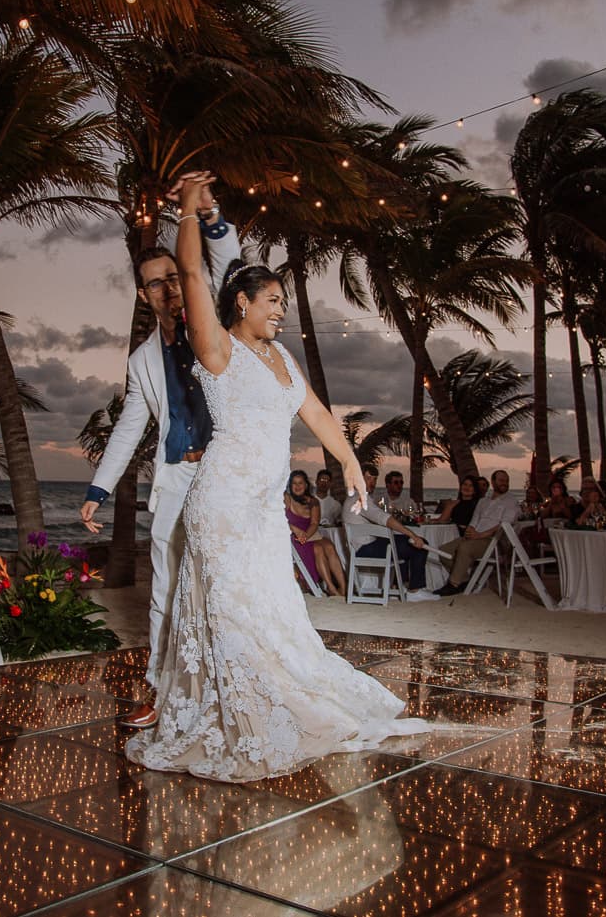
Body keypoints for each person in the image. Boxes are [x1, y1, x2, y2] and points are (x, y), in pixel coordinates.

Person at [126, 172, 430, 782]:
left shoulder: (283, 357)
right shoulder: (216, 347)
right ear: (243, 302)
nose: (281, 310)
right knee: (232, 615)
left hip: (263, 511)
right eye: (273, 302)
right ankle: (240, 714)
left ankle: (283, 696)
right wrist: (188, 209)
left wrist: (346, 459)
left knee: (273, 613)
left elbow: (316, 412)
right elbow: (191, 277)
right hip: (221, 505)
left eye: (284, 303)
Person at [79, 173, 239, 730]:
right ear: (142, 295)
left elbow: (226, 259)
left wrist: (206, 212)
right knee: (166, 589)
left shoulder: (217, 322)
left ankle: (226, 692)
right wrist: (99, 489)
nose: (167, 290)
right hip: (174, 478)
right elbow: (129, 427)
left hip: (226, 478)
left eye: (173, 277)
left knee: (225, 585)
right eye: (154, 284)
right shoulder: (144, 358)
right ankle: (160, 689)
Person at [346, 464, 434, 600]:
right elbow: (385, 519)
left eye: (374, 479)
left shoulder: (351, 498)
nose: (372, 483)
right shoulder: (361, 499)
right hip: (366, 549)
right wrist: (412, 535)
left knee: (403, 543)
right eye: (368, 478)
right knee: (418, 545)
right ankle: (415, 591)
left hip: (360, 547)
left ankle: (398, 587)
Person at [440, 469, 521, 594]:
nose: (504, 483)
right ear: (493, 482)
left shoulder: (511, 501)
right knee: (443, 551)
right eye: (501, 480)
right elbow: (475, 519)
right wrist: (470, 530)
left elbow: (505, 525)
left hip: (495, 541)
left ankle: (454, 584)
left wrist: (480, 535)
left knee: (465, 548)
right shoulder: (484, 501)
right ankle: (465, 580)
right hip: (476, 537)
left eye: (506, 481)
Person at [284, 470, 346, 597]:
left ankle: (343, 588)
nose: (297, 486)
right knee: (317, 548)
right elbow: (278, 518)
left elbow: (314, 523)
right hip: (293, 535)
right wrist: (295, 530)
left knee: (329, 546)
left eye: (300, 483)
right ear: (290, 486)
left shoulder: (313, 501)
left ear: (306, 485)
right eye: (294, 483)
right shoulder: (287, 499)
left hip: (310, 533)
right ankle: (331, 588)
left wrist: (305, 536)